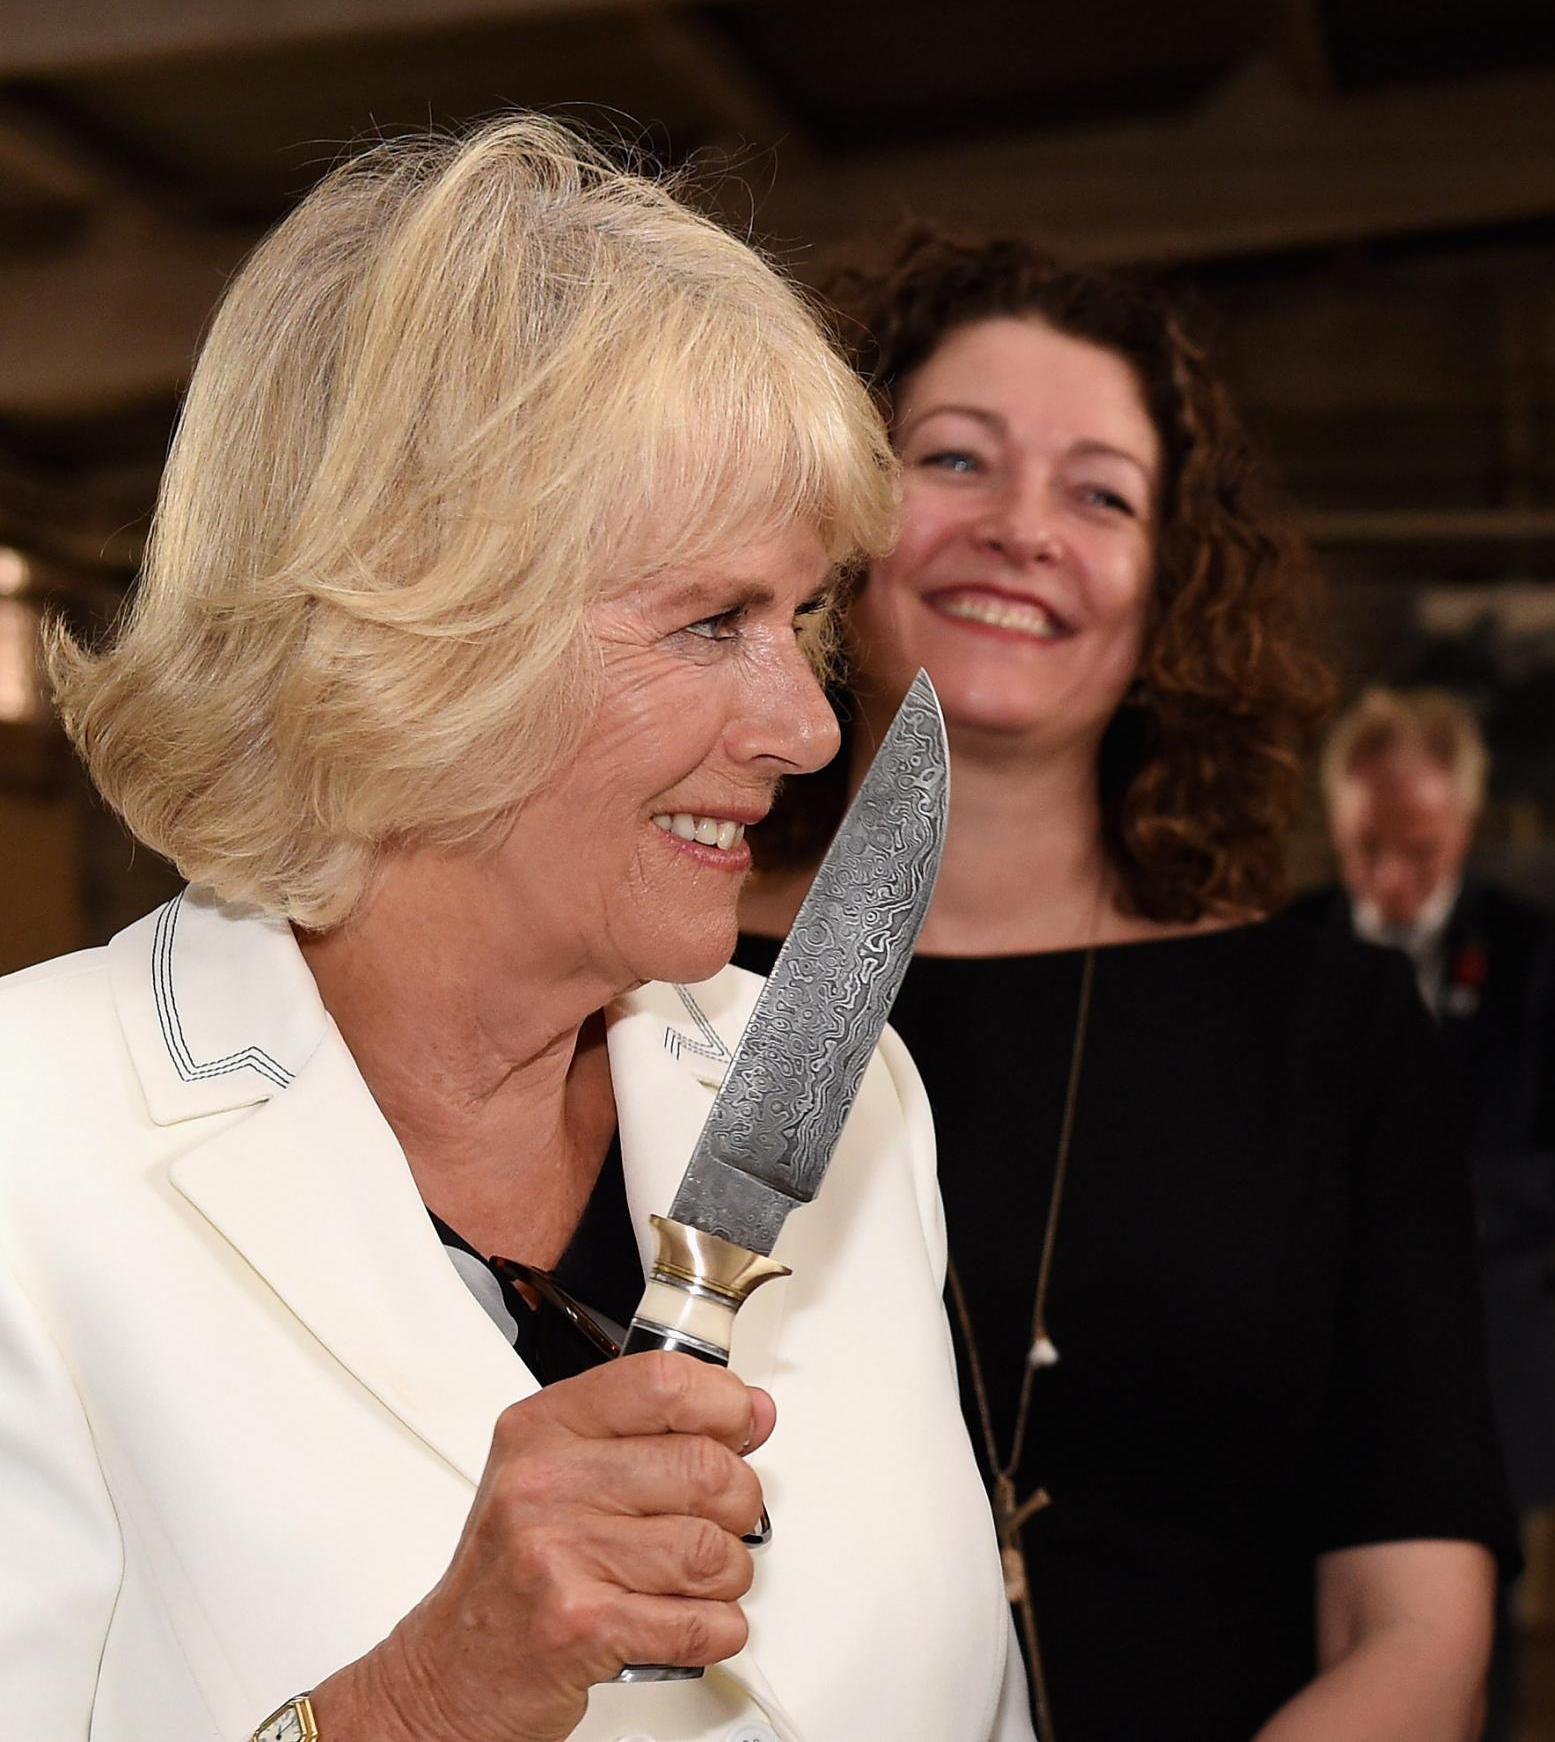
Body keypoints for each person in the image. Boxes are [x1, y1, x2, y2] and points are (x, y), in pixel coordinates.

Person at [0, 119, 1030, 1742]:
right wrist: (417, 1704)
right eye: (713, 620)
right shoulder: (27, 1156)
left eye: (805, 616)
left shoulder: (845, 1092)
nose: (813, 728)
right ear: (420, 634)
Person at [737, 227, 1513, 1742]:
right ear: (835, 519)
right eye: (955, 461)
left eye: (1101, 492)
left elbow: (1419, 1620)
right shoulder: (660, 981)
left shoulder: (1328, 1032)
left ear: (1171, 593)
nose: (1025, 527)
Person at [1291, 686, 1555, 1741]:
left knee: (1466, 1639)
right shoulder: (1284, 943)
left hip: (1489, 1355)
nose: (1393, 880)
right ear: (1334, 821)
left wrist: (1438, 1203)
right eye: (1366, 849)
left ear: (1465, 824)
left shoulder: (1538, 954)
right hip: (1307, 1359)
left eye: (1421, 848)